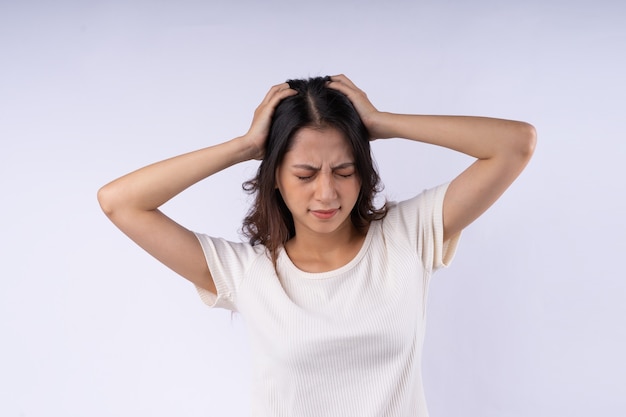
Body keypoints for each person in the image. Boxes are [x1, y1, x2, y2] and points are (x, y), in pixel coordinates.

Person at [97, 74, 536, 417]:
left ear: (363, 173)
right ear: (275, 179)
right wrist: (245, 146)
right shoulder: (247, 272)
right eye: (305, 175)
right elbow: (120, 203)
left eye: (343, 171)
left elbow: (516, 144)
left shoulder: (410, 234)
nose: (326, 194)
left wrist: (381, 123)